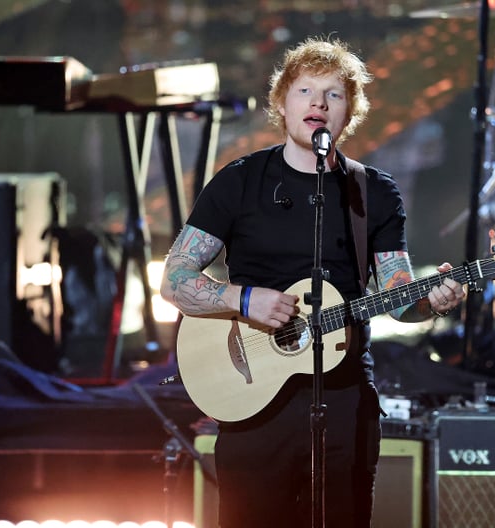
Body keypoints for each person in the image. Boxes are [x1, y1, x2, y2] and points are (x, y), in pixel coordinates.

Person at [160, 36, 465, 528]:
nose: (319, 103)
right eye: (305, 91)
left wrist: (431, 301)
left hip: (344, 402)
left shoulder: (375, 193)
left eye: (334, 94)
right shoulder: (240, 181)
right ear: (282, 103)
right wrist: (244, 299)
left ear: (351, 111)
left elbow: (398, 297)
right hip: (252, 401)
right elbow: (174, 280)